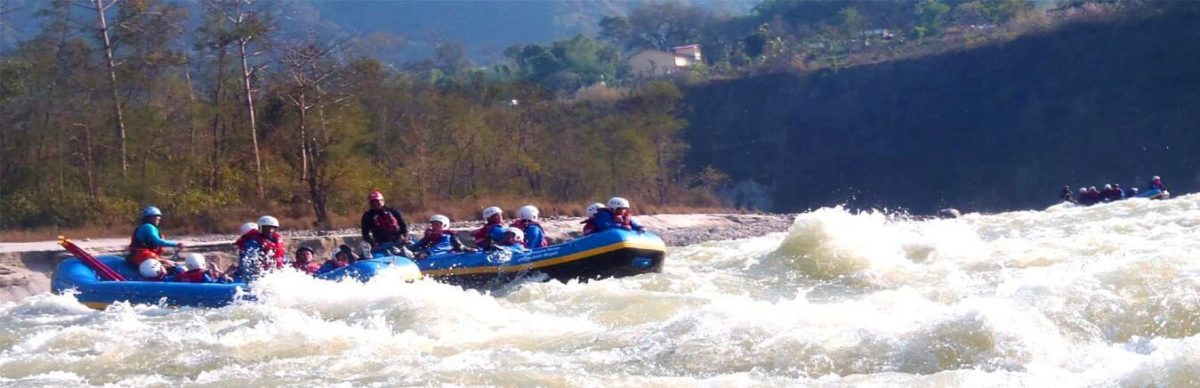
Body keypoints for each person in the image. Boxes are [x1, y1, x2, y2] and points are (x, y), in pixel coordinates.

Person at [232, 215, 286, 279]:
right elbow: (249, 260)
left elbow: (281, 257)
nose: (270, 230)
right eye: (267, 228)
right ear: (260, 228)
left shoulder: (276, 240)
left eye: (272, 228)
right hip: (252, 275)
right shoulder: (252, 242)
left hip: (272, 272)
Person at [360, 190, 410, 257]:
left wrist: (405, 237)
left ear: (382, 201)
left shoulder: (393, 211)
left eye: (377, 201)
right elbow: (365, 234)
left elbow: (403, 226)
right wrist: (373, 245)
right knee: (376, 255)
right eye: (372, 202)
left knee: (405, 252)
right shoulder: (367, 216)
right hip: (381, 244)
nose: (375, 204)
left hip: (398, 241)